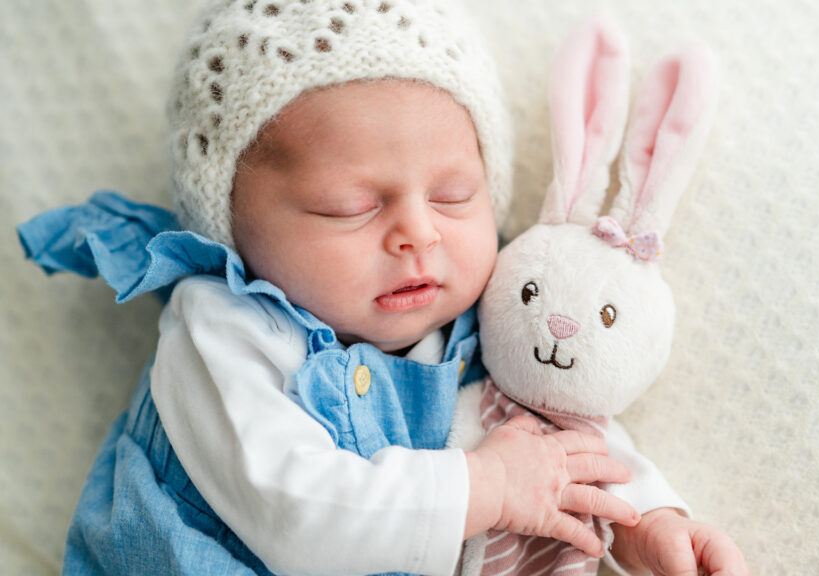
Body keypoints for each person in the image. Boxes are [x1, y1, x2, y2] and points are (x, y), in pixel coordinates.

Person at [18, 1, 748, 575]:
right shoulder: (221, 332)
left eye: (455, 195)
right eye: (350, 207)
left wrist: (648, 525)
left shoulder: (479, 312)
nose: (418, 235)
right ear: (232, 227)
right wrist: (484, 487)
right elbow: (291, 511)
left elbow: (560, 439)